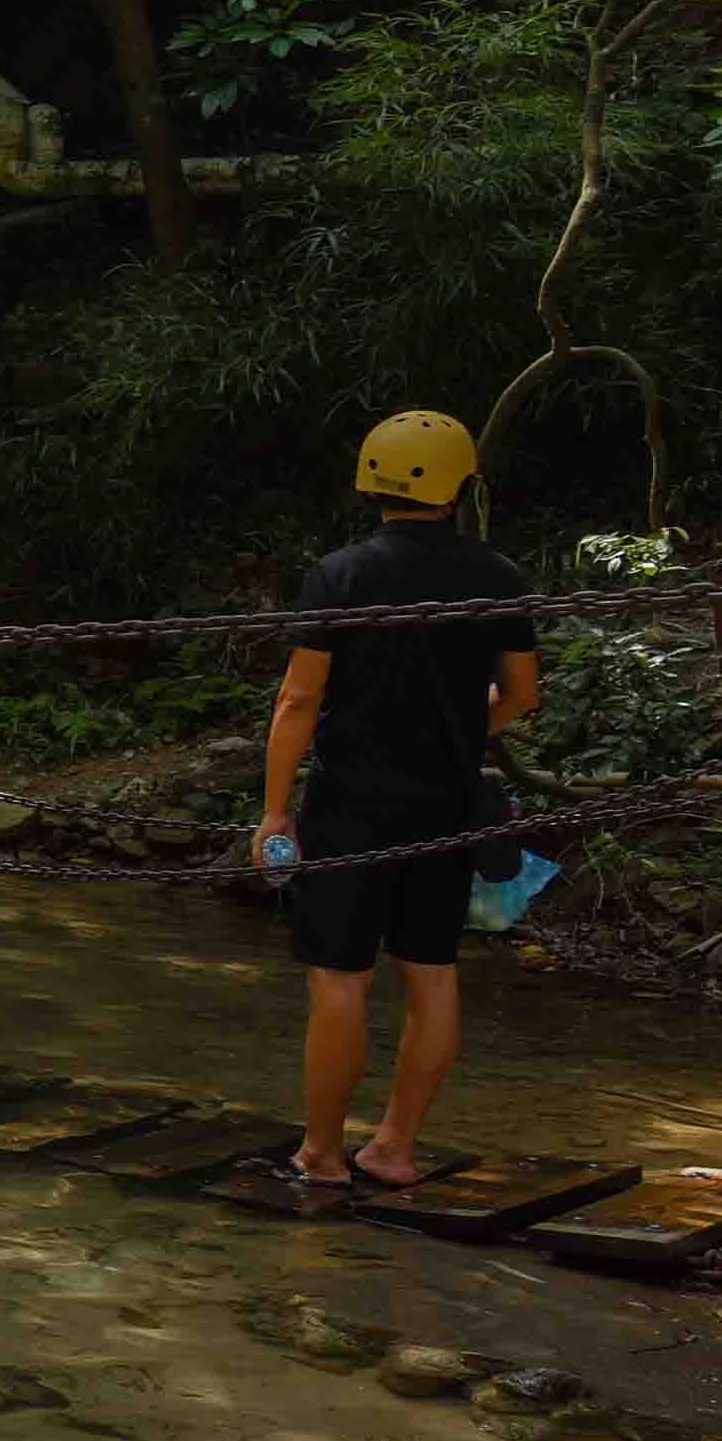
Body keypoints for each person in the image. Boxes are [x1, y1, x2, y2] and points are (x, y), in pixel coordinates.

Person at [253, 410, 541, 1188]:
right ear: (457, 484)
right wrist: (459, 726)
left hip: (350, 805)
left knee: (340, 979)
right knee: (431, 971)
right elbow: (522, 693)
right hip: (446, 805)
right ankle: (395, 1146)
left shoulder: (341, 575)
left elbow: (297, 702)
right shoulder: (496, 575)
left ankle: (321, 1153)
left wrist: (276, 810)